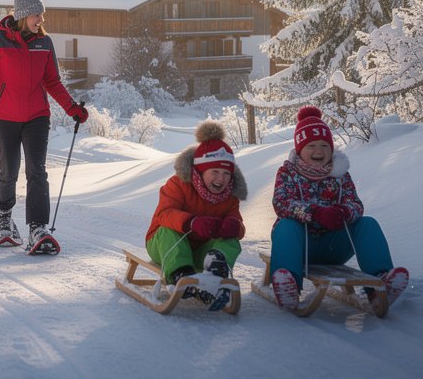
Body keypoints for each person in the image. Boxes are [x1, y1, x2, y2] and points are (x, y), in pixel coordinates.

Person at [0, 0, 88, 251]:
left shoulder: (44, 43)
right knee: (9, 170)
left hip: (36, 117)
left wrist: (71, 108)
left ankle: (38, 228)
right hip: (4, 117)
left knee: (37, 171)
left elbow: (52, 81)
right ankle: (3, 219)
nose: (41, 19)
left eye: (41, 15)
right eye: (37, 15)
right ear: (23, 16)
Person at [267, 106, 409, 311]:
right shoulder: (288, 173)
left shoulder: (340, 174)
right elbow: (281, 202)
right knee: (285, 226)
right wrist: (315, 213)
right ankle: (288, 284)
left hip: (334, 246)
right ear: (299, 149)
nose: (319, 151)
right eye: (311, 145)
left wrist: (344, 212)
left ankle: (380, 282)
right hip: (300, 246)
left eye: (325, 145)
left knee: (367, 223)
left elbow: (356, 204)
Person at [144, 121, 246, 310]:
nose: (221, 179)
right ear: (200, 170)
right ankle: (180, 273)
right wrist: (190, 222)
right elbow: (164, 214)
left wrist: (235, 226)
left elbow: (238, 224)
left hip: (200, 251)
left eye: (226, 173)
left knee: (231, 239)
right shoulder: (178, 185)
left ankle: (216, 269)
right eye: (215, 172)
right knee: (168, 230)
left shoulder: (230, 197)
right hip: (164, 246)